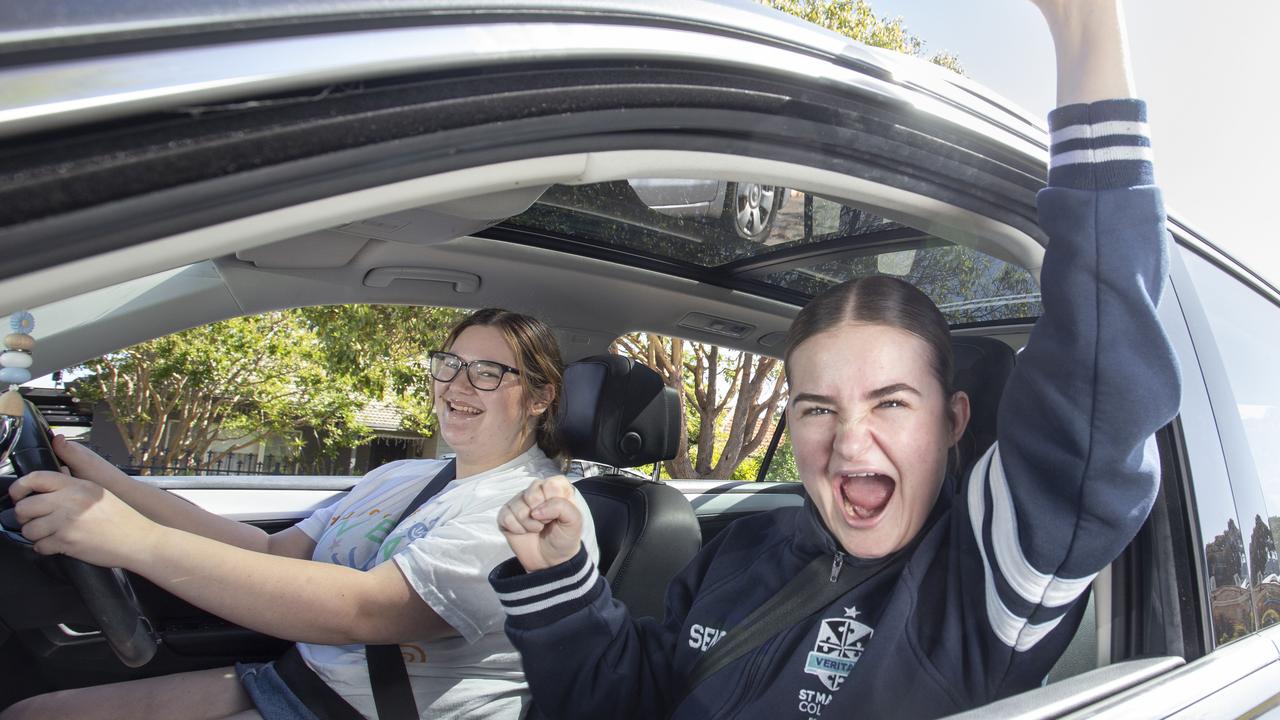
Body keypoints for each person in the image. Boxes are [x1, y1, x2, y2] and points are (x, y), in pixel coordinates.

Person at [488, 1, 1180, 718]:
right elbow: (630, 699)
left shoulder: (975, 585)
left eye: (890, 402)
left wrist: (1086, 22)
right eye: (818, 407)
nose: (850, 441)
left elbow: (1099, 381)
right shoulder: (742, 550)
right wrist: (562, 579)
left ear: (953, 420)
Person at [2, 308, 598, 720]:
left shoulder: (535, 509)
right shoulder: (401, 475)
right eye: (450, 363)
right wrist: (98, 476)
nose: (457, 385)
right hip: (292, 680)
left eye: (489, 373)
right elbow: (268, 551)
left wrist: (133, 542)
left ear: (540, 396)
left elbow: (365, 612)